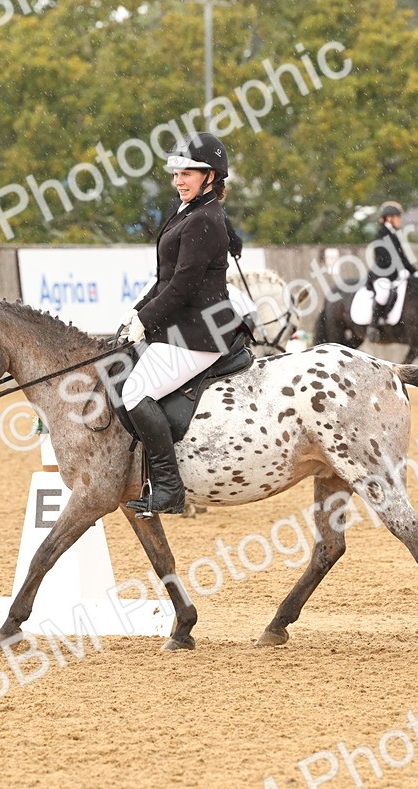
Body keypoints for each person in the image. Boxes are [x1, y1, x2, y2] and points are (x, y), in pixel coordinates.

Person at [119, 132, 242, 515]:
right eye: (176, 174)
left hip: (201, 332)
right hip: (180, 326)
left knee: (135, 393)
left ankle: (170, 490)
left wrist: (146, 320)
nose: (179, 181)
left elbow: (183, 285)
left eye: (188, 173)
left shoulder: (203, 219)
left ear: (211, 177)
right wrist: (136, 313)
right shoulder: (186, 211)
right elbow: (163, 278)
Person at [364, 201, 418, 343]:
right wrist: (400, 270)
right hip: (381, 274)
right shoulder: (381, 234)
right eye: (397, 216)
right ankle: (373, 326)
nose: (400, 219)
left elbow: (401, 257)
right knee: (383, 295)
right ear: (389, 218)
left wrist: (414, 272)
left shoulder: (393, 234)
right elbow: (386, 258)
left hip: (393, 275)